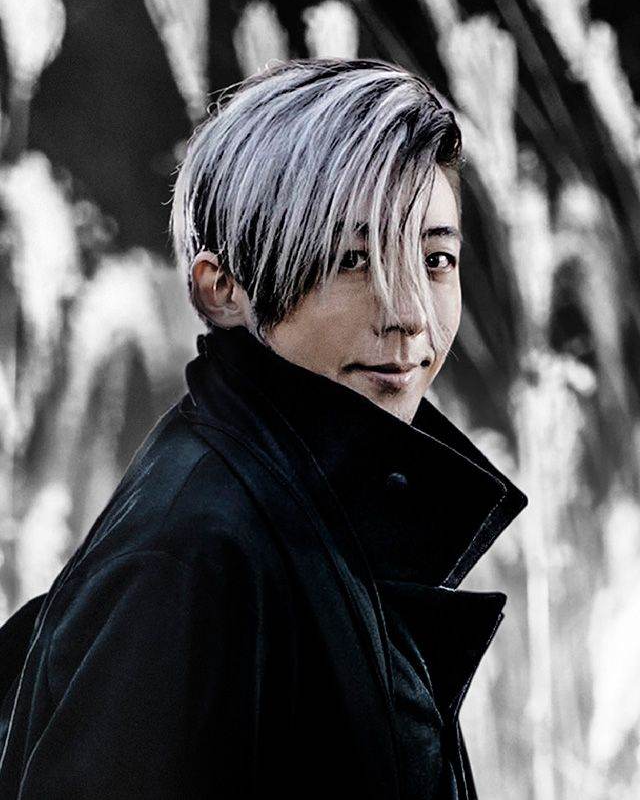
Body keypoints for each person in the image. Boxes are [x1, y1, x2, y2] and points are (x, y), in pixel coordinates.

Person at [0, 58, 528, 799]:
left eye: (436, 259)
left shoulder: (308, 511)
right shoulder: (190, 557)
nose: (410, 313)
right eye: (353, 260)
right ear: (222, 290)